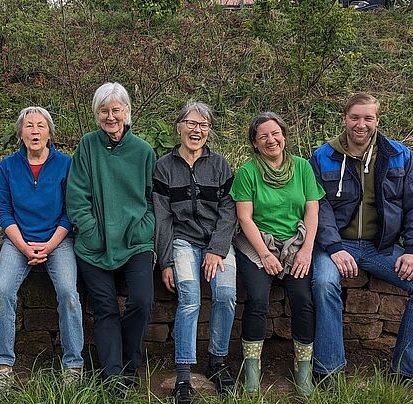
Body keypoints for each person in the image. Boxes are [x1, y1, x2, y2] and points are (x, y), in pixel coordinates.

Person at [310, 93, 413, 383]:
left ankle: (404, 371)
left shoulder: (399, 156)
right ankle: (328, 371)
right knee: (324, 283)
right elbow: (318, 206)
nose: (361, 124)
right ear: (345, 118)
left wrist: (411, 250)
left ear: (377, 121)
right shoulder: (323, 156)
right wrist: (333, 247)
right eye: (355, 117)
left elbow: (411, 204)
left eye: (368, 118)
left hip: (380, 247)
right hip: (334, 246)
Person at [66, 82, 156, 390]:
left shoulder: (144, 151)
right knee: (104, 307)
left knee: (142, 301)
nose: (110, 116)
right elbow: (76, 196)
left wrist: (141, 229)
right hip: (94, 244)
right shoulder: (88, 146)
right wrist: (90, 231)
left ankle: (132, 364)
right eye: (104, 110)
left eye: (116, 110)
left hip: (135, 243)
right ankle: (113, 374)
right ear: (96, 114)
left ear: (127, 112)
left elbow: (153, 198)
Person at [230, 112, 325, 396]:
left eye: (276, 134)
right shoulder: (248, 172)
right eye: (263, 137)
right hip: (259, 243)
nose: (271, 140)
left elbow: (312, 210)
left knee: (303, 299)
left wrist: (306, 250)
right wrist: (266, 255)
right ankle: (251, 368)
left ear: (284, 136)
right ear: (255, 143)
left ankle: (303, 368)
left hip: (296, 243)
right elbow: (245, 218)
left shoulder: (303, 168)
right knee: (258, 299)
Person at [0, 106, 84, 389]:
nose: (34, 131)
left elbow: (71, 211)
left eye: (40, 126)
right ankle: (3, 365)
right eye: (29, 126)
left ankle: (73, 365)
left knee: (69, 293)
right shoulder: (7, 166)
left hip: (58, 240)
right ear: (20, 132)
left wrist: (49, 245)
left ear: (49, 132)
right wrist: (23, 245)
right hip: (17, 240)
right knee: (2, 294)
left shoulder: (66, 164)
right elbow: (3, 210)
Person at [153, 101, 237, 403]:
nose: (196, 130)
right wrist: (165, 261)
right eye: (191, 123)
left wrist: (217, 249)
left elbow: (229, 210)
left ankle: (217, 362)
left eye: (203, 125)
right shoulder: (164, 166)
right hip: (182, 241)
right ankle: (184, 374)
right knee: (189, 296)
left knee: (226, 295)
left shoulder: (220, 166)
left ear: (209, 131)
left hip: (217, 242)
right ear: (179, 127)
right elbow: (162, 217)